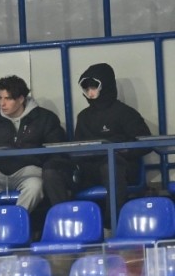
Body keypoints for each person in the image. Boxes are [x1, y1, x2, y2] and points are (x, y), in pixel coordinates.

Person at [43, 63, 151, 208]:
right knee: (52, 168)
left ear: (105, 85)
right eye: (87, 88)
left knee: (110, 166)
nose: (90, 92)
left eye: (93, 87)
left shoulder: (126, 113)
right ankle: (63, 216)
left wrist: (117, 147)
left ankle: (113, 220)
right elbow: (77, 148)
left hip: (118, 169)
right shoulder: (83, 116)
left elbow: (144, 143)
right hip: (87, 169)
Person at [0, 75, 66, 213]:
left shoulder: (45, 118)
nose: (2, 104)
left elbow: (57, 151)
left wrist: (40, 167)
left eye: (8, 98)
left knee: (35, 187)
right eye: (0, 98)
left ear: (21, 99)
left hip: (30, 173)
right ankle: (0, 221)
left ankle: (16, 221)